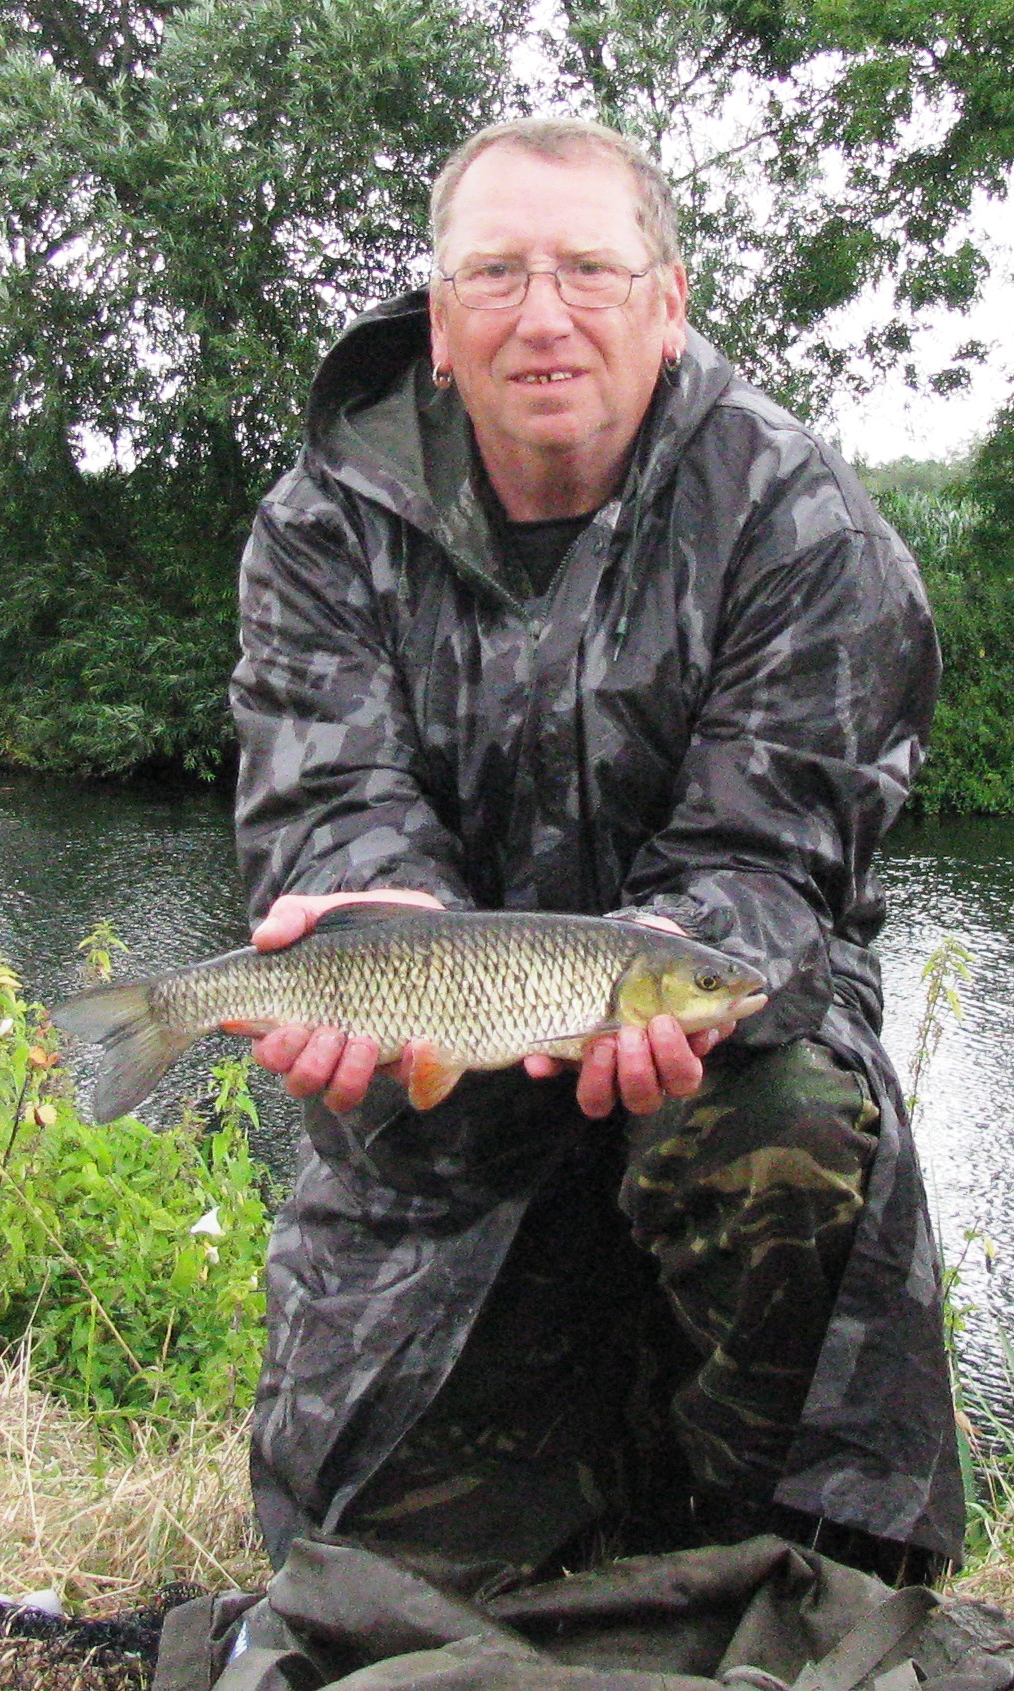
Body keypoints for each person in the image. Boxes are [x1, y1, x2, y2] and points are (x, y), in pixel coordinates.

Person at [230, 116, 963, 1596]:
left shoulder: (800, 525)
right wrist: (375, 908)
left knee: (784, 1109)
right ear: (440, 322)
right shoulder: (323, 530)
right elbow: (326, 800)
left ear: (669, 302)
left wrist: (665, 960)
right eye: (495, 273)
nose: (544, 316)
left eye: (589, 270)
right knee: (373, 1587)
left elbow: (775, 866)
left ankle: (751, 1525)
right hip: (437, 1107)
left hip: (705, 1065)